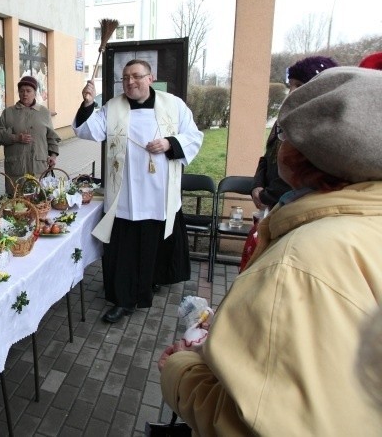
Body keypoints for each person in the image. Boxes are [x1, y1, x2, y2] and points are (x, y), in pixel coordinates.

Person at [158, 67, 382, 435]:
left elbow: (247, 423)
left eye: (280, 135)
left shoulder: (297, 264)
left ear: (296, 155)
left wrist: (180, 370)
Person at [75, 60, 203, 324]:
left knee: (154, 246)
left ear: (150, 77)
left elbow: (194, 136)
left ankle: (148, 283)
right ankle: (125, 299)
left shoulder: (173, 104)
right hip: (126, 196)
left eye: (136, 76)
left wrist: (170, 142)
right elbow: (88, 131)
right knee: (126, 250)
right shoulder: (113, 107)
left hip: (159, 194)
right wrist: (88, 103)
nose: (130, 82)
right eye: (125, 78)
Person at [251, 55, 338, 210]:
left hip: (299, 208)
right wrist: (257, 186)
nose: (291, 92)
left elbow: (301, 171)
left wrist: (266, 195)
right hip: (272, 206)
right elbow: (268, 157)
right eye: (290, 85)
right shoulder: (283, 120)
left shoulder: (324, 128)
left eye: (299, 85)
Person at [0, 75, 60, 194]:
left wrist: (53, 156)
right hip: (16, 169)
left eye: (28, 91)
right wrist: (16, 138)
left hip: (38, 168)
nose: (25, 94)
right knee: (16, 203)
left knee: (39, 202)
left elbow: (52, 138)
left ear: (35, 93)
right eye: (22, 91)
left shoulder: (44, 113)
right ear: (18, 93)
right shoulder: (8, 113)